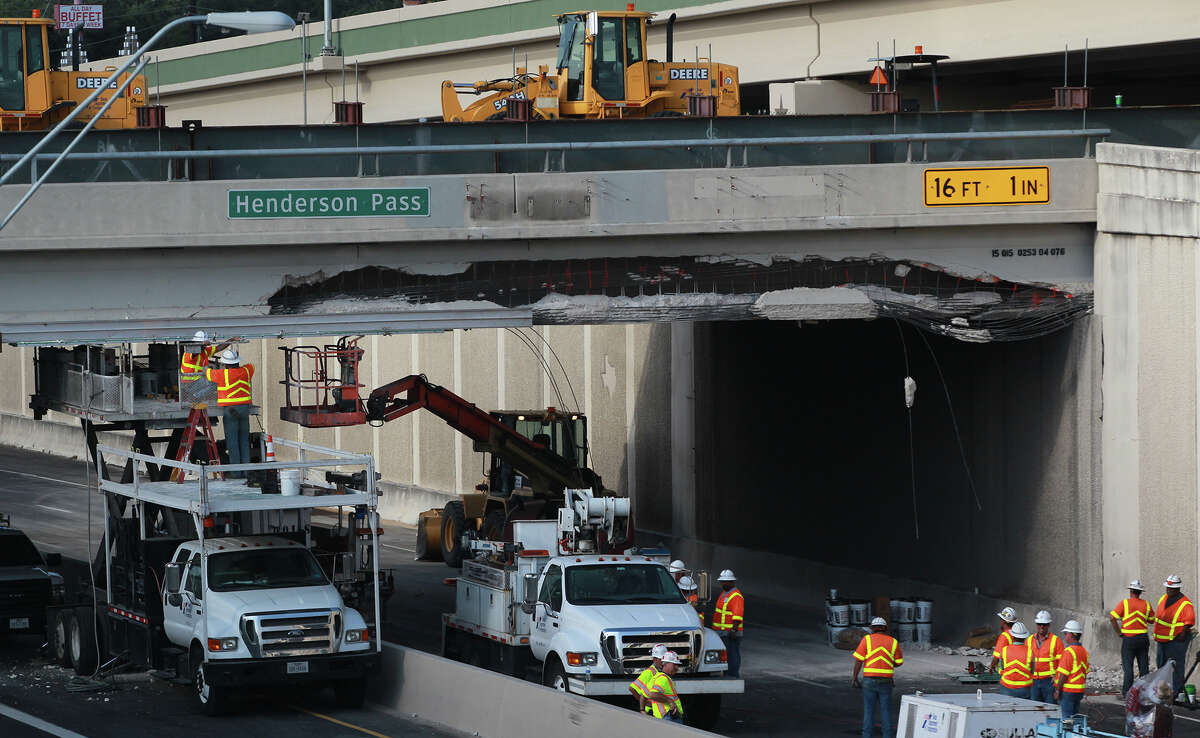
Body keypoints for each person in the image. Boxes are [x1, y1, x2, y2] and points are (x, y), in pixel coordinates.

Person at [206, 349, 255, 479]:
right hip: (244, 409)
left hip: (231, 410)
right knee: (244, 440)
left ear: (225, 364)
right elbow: (251, 365)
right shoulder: (246, 371)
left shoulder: (222, 374)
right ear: (236, 362)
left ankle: (236, 473)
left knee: (232, 442)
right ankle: (247, 472)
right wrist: (237, 356)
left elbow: (207, 373)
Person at [852, 616, 903, 738]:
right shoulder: (893, 642)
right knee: (886, 712)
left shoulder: (867, 640)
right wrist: (887, 662)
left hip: (869, 681)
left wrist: (854, 678)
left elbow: (859, 661)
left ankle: (867, 736)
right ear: (885, 628)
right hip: (886, 682)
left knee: (869, 712)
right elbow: (899, 662)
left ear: (872, 628)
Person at [1153, 574, 1195, 697]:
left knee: (1176, 667)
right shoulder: (1163, 599)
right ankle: (1163, 691)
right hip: (1161, 639)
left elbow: (1189, 620)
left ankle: (1176, 692)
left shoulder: (1185, 603)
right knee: (1161, 665)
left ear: (1178, 589)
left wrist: (1182, 633)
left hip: (1175, 640)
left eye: (1172, 589)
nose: (1169, 590)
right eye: (1167, 588)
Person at [1110, 578, 1152, 696]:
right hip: (1143, 639)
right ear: (1140, 592)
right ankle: (1144, 692)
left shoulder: (1125, 603)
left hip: (1129, 639)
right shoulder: (1146, 604)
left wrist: (1119, 633)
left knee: (1128, 668)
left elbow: (1112, 618)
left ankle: (1127, 693)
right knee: (1143, 667)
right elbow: (1152, 620)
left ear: (1131, 591)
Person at [1055, 620, 1090, 718]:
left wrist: (1057, 690)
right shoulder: (1084, 651)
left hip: (1068, 691)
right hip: (1079, 691)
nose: (1065, 636)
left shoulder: (1069, 651)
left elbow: (1064, 674)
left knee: (1066, 719)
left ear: (1071, 634)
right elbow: (1085, 671)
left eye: (1066, 633)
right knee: (1075, 717)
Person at [712, 569, 744, 678]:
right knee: (725, 655)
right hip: (722, 632)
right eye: (722, 581)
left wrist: (734, 630)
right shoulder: (724, 594)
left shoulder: (736, 596)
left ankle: (733, 675)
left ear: (732, 582)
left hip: (730, 632)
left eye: (725, 581)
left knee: (732, 655)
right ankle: (726, 673)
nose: (723, 583)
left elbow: (737, 616)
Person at [1029, 610, 1063, 704]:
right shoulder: (1029, 640)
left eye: (1044, 624)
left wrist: (1056, 676)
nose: (1042, 626)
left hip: (1049, 681)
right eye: (1039, 624)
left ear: (1049, 625)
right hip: (1033, 680)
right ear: (1036, 624)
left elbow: (1062, 663)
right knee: (1034, 708)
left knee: (1050, 709)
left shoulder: (1056, 641)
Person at [998, 621, 1034, 699]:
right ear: (1024, 638)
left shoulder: (1004, 650)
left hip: (1006, 687)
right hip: (1025, 688)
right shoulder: (1030, 652)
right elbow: (1032, 671)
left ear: (1012, 637)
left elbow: (1001, 669)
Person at [646, 650, 683, 722]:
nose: (677, 668)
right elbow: (652, 694)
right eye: (674, 664)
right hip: (668, 717)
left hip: (667, 717)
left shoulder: (660, 677)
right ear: (665, 664)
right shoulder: (663, 679)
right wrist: (670, 701)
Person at [629, 643, 666, 714]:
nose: (663, 662)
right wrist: (645, 704)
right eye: (661, 659)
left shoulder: (661, 672)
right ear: (654, 659)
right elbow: (632, 688)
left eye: (664, 659)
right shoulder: (649, 673)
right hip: (650, 711)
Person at [990, 606, 1018, 673]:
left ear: (1004, 621)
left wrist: (992, 666)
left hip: (1006, 672)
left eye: (1001, 619)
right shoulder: (1018, 633)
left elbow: (997, 656)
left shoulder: (1004, 636)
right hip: (1017, 669)